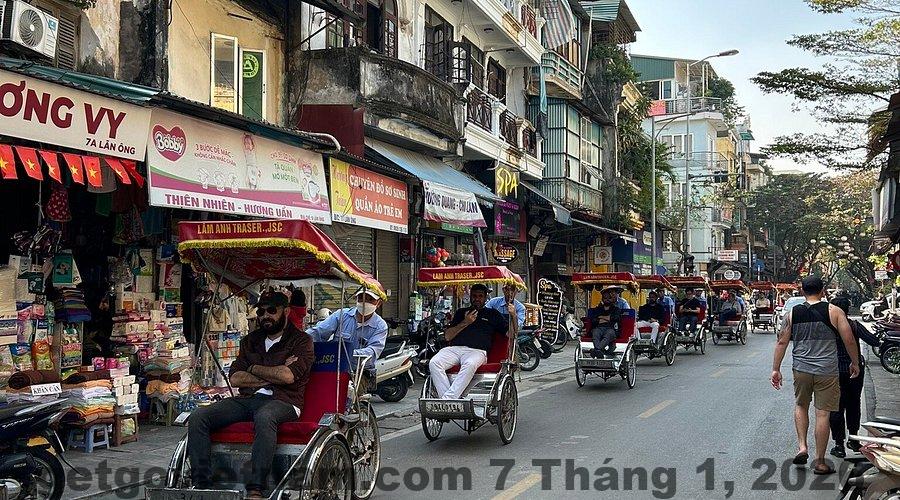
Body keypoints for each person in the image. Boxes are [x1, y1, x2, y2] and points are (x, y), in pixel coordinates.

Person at [188, 291, 315, 498]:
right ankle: (201, 484)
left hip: (284, 401)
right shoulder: (250, 340)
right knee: (199, 416)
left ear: (286, 311)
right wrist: (270, 372)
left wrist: (254, 368)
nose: (265, 315)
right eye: (261, 311)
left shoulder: (301, 341)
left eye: (272, 311)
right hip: (248, 399)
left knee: (265, 416)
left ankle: (256, 488)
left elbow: (288, 377)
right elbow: (236, 378)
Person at [771, 276, 860, 475]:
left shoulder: (792, 313)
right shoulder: (834, 311)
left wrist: (775, 369)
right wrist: (855, 363)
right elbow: (849, 340)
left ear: (803, 291)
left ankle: (802, 446)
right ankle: (820, 462)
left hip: (801, 369)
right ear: (822, 291)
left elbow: (781, 342)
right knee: (823, 414)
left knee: (801, 405)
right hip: (827, 371)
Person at [429, 284, 512, 399]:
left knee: (469, 364)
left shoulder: (493, 314)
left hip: (477, 351)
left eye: (480, 296)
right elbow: (447, 336)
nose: (477, 299)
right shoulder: (461, 312)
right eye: (474, 296)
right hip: (454, 349)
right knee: (434, 363)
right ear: (470, 296)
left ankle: (447, 400)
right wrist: (466, 322)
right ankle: (449, 400)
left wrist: (514, 315)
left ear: (485, 297)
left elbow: (511, 333)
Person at [829, 297, 881, 458]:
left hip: (834, 371)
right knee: (853, 404)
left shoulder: (827, 328)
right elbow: (874, 341)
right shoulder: (854, 325)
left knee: (836, 407)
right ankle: (853, 439)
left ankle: (838, 444)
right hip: (854, 371)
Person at [306, 289, 388, 370]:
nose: (364, 303)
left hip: (361, 372)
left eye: (370, 299)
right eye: (361, 298)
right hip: (337, 368)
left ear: (378, 303)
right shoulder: (342, 315)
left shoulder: (380, 326)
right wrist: (301, 340)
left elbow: (372, 353)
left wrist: (347, 353)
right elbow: (318, 332)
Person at [586, 289, 621, 358]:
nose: (607, 300)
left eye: (609, 298)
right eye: (605, 298)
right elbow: (594, 320)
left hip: (611, 328)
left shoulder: (616, 309)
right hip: (599, 328)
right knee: (595, 332)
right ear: (602, 299)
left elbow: (615, 319)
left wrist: (601, 317)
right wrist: (608, 318)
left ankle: (597, 350)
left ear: (612, 299)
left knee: (609, 334)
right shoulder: (597, 309)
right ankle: (599, 350)